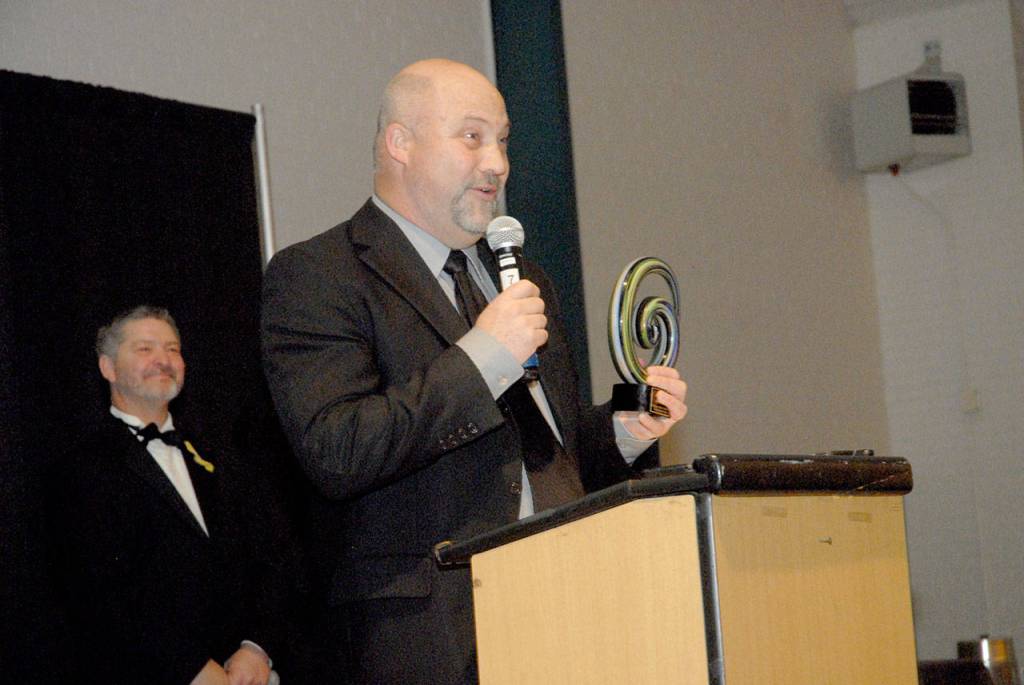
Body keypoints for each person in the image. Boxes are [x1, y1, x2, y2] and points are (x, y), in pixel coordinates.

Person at [260, 58, 688, 684]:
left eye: (503, 140)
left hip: (572, 608)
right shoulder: (319, 275)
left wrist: (626, 428)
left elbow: (544, 459)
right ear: (399, 142)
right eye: (472, 137)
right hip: (430, 636)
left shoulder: (522, 276)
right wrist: (483, 357)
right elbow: (339, 449)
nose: (497, 163)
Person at [47, 306, 279, 685]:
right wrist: (193, 669)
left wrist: (255, 648)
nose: (164, 360)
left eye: (173, 349)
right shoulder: (81, 470)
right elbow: (100, 593)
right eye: (144, 349)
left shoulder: (224, 457)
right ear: (107, 367)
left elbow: (271, 558)